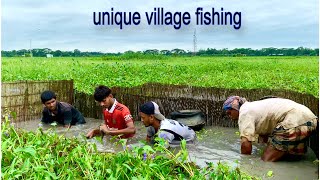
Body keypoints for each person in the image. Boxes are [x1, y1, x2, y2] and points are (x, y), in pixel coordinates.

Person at [222, 96, 318, 162]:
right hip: (310, 119)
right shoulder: (254, 107)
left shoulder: (244, 112)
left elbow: (245, 143)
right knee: (293, 158)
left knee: (266, 161)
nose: (230, 116)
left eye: (229, 113)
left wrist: (245, 162)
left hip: (293, 122)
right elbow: (265, 136)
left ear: (235, 108)